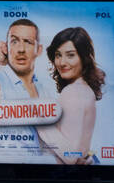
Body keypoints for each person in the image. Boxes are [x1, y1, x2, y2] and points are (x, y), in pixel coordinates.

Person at [0, 18, 61, 162]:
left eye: (28, 42)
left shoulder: (45, 92)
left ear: (39, 50)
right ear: (5, 47)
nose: (21, 49)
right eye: (14, 41)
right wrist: (1, 65)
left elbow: (52, 141)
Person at [37, 27, 105, 165]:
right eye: (58, 55)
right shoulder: (86, 90)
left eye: (70, 55)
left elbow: (72, 155)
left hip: (63, 177)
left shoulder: (73, 92)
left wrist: (40, 122)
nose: (62, 63)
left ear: (84, 57)